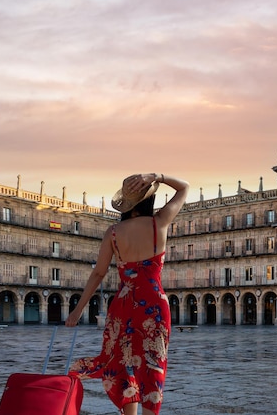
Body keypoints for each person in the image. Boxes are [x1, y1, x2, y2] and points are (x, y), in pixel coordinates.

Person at [65, 172, 189, 415]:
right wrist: (160, 176)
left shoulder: (113, 232)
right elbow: (184, 188)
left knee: (123, 363)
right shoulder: (158, 223)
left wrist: (77, 311)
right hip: (153, 302)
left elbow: (98, 273)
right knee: (153, 364)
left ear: (126, 204)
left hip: (124, 304)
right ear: (148, 200)